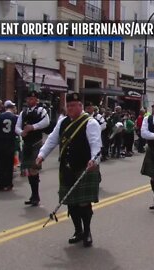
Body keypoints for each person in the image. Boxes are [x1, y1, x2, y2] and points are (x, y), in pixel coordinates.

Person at [36, 93, 101, 248]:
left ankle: (87, 232)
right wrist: (41, 155)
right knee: (71, 203)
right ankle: (78, 231)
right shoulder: (62, 122)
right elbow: (52, 139)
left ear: (80, 106)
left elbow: (96, 144)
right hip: (67, 167)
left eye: (74, 105)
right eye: (69, 105)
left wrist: (94, 160)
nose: (70, 108)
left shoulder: (90, 123)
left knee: (84, 203)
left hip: (84, 167)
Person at [15, 92, 50, 206]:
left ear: (36, 100)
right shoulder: (23, 112)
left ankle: (35, 196)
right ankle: (34, 195)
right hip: (27, 143)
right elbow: (17, 126)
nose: (31, 101)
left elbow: (46, 122)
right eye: (29, 99)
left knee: (33, 169)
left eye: (33, 99)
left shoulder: (41, 111)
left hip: (36, 143)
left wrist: (33, 127)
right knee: (30, 170)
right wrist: (22, 132)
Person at [0, 100, 18, 191]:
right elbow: (17, 131)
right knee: (8, 164)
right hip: (10, 142)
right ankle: (8, 183)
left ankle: (0, 184)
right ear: (11, 108)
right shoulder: (14, 118)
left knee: (0, 164)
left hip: (0, 143)